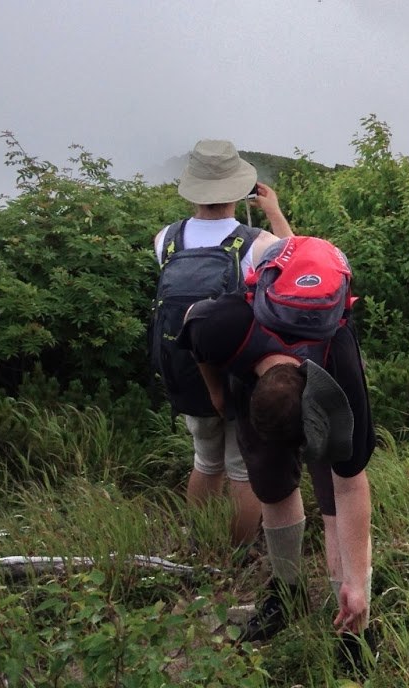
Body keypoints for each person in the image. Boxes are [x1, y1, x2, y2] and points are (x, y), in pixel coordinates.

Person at [176, 240, 375, 651]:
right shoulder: (225, 327)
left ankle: (354, 626)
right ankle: (288, 594)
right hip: (250, 382)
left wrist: (357, 586)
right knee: (269, 481)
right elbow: (191, 322)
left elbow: (352, 485)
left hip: (315, 367)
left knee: (333, 494)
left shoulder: (338, 359)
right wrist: (217, 394)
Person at [152, 139, 292, 549]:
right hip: (238, 374)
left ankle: (200, 542)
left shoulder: (167, 239)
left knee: (205, 459)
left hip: (186, 370)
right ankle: (236, 554)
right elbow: (297, 267)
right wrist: (275, 213)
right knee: (241, 470)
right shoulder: (257, 242)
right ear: (237, 190)